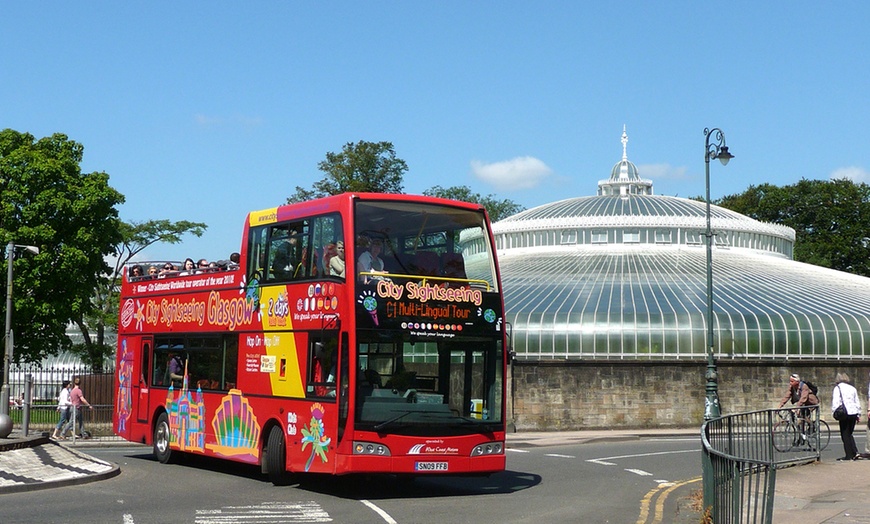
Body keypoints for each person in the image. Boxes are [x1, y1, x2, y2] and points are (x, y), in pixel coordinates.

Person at [832, 372, 861, 460]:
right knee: (849, 433)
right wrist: (858, 413)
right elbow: (857, 401)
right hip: (853, 412)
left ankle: (849, 455)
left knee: (845, 434)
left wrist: (834, 412)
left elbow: (836, 401)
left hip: (844, 413)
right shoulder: (852, 388)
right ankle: (854, 452)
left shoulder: (837, 388)